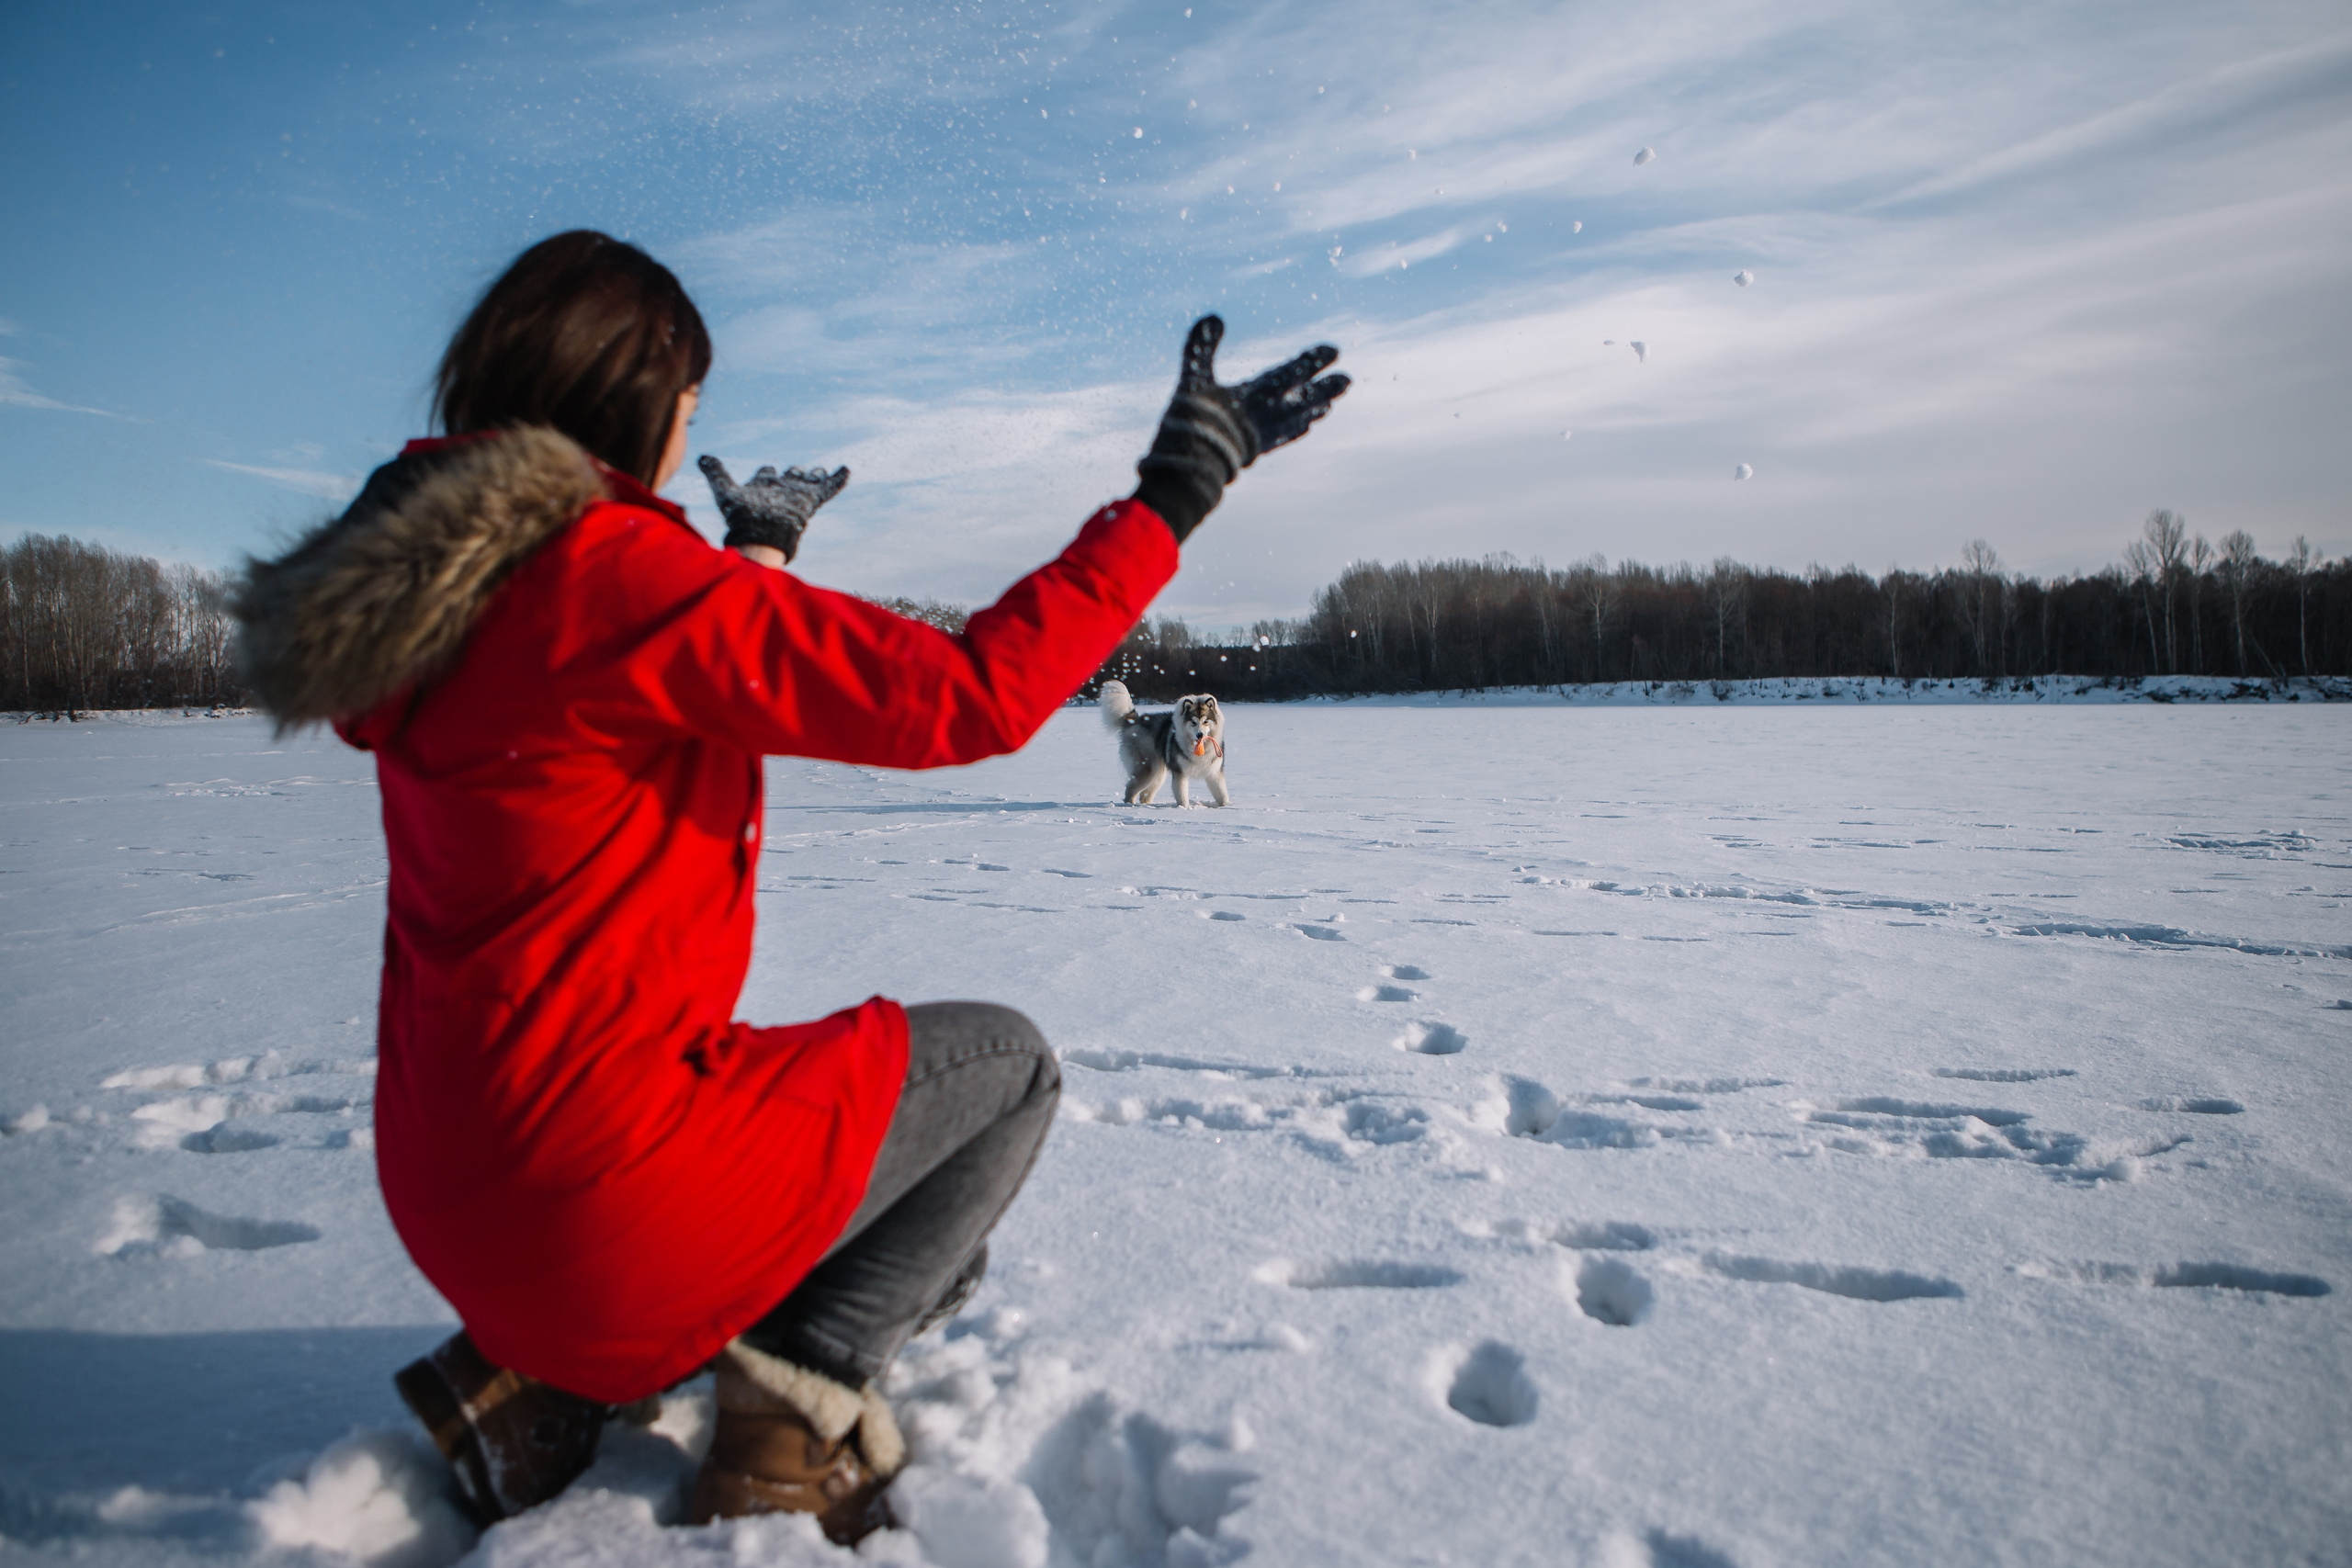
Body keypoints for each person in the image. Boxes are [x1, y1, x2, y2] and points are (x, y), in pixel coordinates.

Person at [229, 230, 1347, 1542]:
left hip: (449, 1192)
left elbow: (640, 677)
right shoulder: (603, 574)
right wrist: (1172, 496)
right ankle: (790, 1410)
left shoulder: (445, 606)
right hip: (597, 1208)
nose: (684, 432)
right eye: (688, 403)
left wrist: (748, 558)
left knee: (747, 1102)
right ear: (633, 396)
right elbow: (969, 694)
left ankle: (531, 1387)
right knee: (1006, 1075)